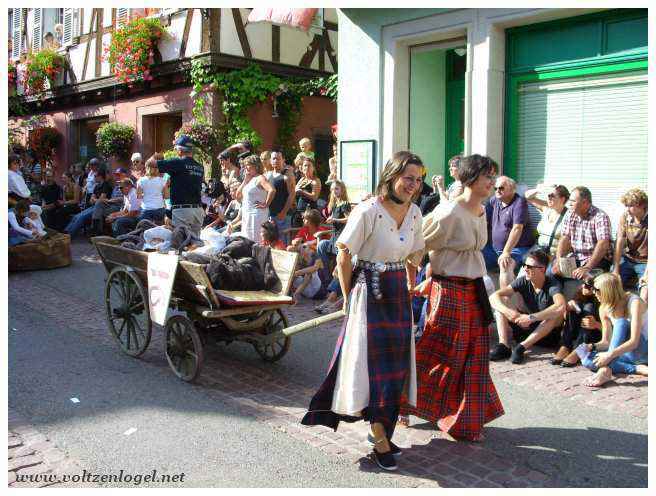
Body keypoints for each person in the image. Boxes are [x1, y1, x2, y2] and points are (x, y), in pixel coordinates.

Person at [302, 151, 425, 472]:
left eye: (418, 179)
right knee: (370, 369)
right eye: (408, 178)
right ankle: (379, 435)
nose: (413, 185)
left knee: (396, 368)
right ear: (392, 176)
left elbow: (416, 252)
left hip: (397, 292)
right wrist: (346, 299)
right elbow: (343, 256)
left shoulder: (414, 212)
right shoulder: (368, 211)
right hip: (368, 292)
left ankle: (384, 429)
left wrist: (411, 284)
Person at [402, 154, 504, 442]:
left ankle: (463, 420)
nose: (492, 182)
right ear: (470, 178)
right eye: (487, 176)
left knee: (474, 354)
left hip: (472, 290)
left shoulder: (482, 210)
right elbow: (415, 245)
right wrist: (418, 280)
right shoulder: (448, 213)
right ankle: (402, 401)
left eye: (493, 176)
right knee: (440, 350)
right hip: (448, 292)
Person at [489, 249, 566, 364]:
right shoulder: (524, 281)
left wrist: (531, 318)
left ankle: (521, 348)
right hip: (525, 328)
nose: (525, 269)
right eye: (525, 265)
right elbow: (493, 296)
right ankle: (504, 345)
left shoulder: (552, 284)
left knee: (556, 316)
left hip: (546, 335)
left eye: (530, 266)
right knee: (502, 301)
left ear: (542, 269)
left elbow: (560, 306)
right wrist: (508, 312)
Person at [581, 273, 648, 387]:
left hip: (644, 349)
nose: (593, 292)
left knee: (621, 322)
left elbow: (634, 342)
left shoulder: (634, 302)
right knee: (585, 358)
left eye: (596, 290)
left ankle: (604, 371)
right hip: (625, 354)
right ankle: (636, 368)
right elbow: (606, 342)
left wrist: (609, 355)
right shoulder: (603, 308)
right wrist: (591, 346)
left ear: (608, 291)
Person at [482, 175, 535, 288]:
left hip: (517, 248)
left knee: (505, 264)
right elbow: (483, 220)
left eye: (501, 188)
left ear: (512, 189)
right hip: (493, 249)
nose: (497, 191)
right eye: (495, 188)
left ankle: (505, 302)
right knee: (472, 255)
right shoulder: (494, 201)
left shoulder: (519, 203)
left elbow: (517, 228)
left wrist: (506, 252)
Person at [552, 186, 612, 284]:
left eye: (573, 201)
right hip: (576, 257)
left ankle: (579, 299)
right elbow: (565, 238)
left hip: (597, 259)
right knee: (552, 272)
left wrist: (587, 267)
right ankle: (557, 298)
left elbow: (603, 244)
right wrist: (559, 260)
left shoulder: (600, 216)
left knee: (589, 280)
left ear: (584, 203)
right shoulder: (570, 213)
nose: (569, 204)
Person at [156, 135, 205, 236]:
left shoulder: (178, 162)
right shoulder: (200, 167)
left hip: (182, 211)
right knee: (195, 244)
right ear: (191, 150)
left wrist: (153, 158)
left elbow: (154, 164)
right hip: (197, 210)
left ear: (179, 150)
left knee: (181, 242)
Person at [552, 273, 602, 367]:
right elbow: (566, 319)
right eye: (583, 283)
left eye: (588, 285)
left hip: (595, 337)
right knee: (574, 306)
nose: (583, 286)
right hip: (579, 333)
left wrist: (596, 324)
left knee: (589, 307)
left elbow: (613, 330)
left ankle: (578, 350)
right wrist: (568, 308)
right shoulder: (581, 294)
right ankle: (566, 346)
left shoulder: (603, 302)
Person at [613, 188, 648, 290]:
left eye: (631, 205)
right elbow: (619, 241)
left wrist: (647, 274)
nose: (628, 209)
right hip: (628, 259)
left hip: (645, 262)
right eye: (627, 206)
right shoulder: (625, 216)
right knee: (612, 283)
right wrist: (615, 269)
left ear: (642, 205)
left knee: (645, 288)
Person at [235, 155, 275, 243]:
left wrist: (266, 204)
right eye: (244, 165)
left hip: (257, 216)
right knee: (246, 241)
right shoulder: (249, 179)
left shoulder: (260, 178)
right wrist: (245, 180)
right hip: (247, 215)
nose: (245, 167)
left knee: (256, 241)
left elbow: (272, 190)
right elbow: (237, 195)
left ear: (255, 166)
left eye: (247, 165)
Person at [524, 184, 570, 258]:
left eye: (552, 195)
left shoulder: (569, 215)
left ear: (562, 199)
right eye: (548, 195)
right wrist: (539, 190)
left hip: (557, 256)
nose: (549, 198)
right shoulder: (546, 209)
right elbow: (528, 197)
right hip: (539, 253)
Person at [317, 180, 351, 281]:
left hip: (341, 239)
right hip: (334, 238)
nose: (334, 191)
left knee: (338, 256)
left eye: (336, 188)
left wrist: (335, 219)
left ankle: (335, 281)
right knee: (321, 245)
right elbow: (332, 217)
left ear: (342, 190)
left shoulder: (344, 204)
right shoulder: (336, 204)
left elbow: (349, 219)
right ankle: (327, 276)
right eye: (332, 189)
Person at [266, 150, 296, 245]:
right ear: (270, 161)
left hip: (283, 216)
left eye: (278, 158)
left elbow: (292, 195)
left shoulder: (287, 175)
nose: (276, 161)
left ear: (283, 160)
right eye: (274, 158)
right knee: (271, 241)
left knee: (283, 242)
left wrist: (284, 212)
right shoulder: (268, 175)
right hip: (270, 214)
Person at [90, 168, 127, 235]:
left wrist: (109, 200)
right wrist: (107, 201)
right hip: (111, 204)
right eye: (116, 175)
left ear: (124, 175)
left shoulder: (126, 185)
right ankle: (97, 231)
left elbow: (124, 198)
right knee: (99, 204)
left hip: (119, 206)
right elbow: (92, 199)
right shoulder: (116, 186)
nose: (116, 177)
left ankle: (96, 232)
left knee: (99, 211)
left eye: (119, 175)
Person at [136, 156, 167, 223]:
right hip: (160, 210)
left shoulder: (141, 181)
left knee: (144, 230)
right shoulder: (162, 181)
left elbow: (139, 196)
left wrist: (145, 194)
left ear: (146, 167)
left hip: (146, 210)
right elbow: (167, 196)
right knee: (159, 230)